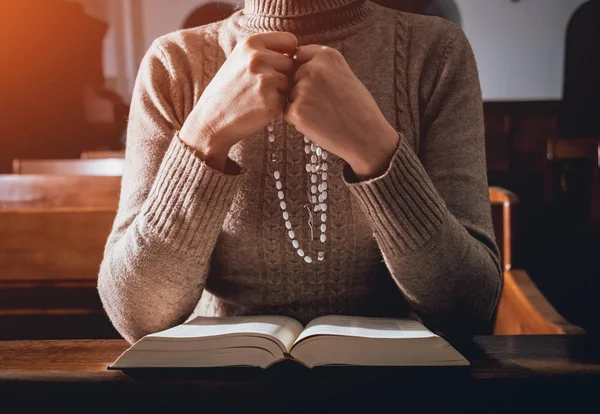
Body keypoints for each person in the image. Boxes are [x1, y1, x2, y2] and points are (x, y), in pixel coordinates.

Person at [98, 0, 503, 344]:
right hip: (219, 383)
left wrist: (376, 149)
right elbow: (136, 314)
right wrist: (205, 133)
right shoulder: (174, 63)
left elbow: (469, 307)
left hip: (391, 384)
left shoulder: (436, 52)